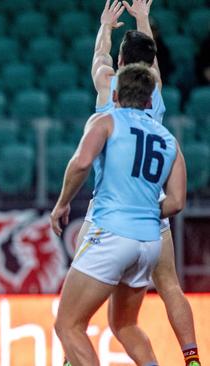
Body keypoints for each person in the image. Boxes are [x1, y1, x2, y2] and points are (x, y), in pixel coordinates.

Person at [81, 1, 201, 364]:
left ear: (121, 62)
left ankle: (73, 353)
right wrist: (143, 19)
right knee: (169, 285)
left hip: (112, 203)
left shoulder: (108, 84)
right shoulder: (157, 89)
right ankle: (192, 357)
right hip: (152, 199)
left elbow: (98, 57)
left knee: (79, 283)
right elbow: (152, 63)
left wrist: (105, 26)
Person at [51, 64, 186, 366]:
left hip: (111, 233)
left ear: (115, 94)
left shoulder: (106, 121)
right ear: (151, 101)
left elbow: (81, 163)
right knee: (125, 324)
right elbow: (177, 202)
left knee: (68, 326)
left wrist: (62, 203)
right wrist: (145, 212)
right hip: (150, 244)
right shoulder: (167, 139)